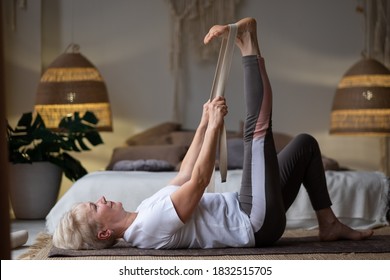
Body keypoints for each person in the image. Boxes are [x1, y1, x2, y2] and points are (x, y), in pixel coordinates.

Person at [53, 17, 373, 250]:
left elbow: (184, 174)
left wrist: (205, 123)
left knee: (304, 145)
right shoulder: (150, 226)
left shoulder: (143, 215)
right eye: (95, 207)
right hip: (252, 221)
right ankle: (248, 43)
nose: (101, 198)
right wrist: (216, 127)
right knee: (256, 132)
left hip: (249, 209)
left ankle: (328, 223)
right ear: (105, 233)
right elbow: (200, 180)